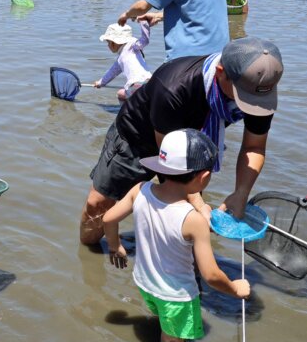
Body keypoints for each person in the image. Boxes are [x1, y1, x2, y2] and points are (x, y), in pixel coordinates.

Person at [80, 36, 283, 245]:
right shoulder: (174, 86)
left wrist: (240, 193)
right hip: (138, 138)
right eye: (244, 97)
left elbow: (254, 147)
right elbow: (168, 158)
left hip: (193, 149)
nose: (251, 105)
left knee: (188, 220)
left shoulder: (259, 94)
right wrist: (196, 199)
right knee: (98, 205)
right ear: (221, 72)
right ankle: (89, 258)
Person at [103, 129, 251, 342]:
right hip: (176, 298)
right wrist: (235, 289)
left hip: (145, 283)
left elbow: (108, 218)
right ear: (203, 178)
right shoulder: (193, 221)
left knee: (164, 318)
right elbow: (211, 275)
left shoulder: (140, 190)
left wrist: (116, 247)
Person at [94, 21, 151, 102]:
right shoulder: (125, 55)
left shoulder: (132, 47)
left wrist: (100, 83)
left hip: (136, 85)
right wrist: (100, 83)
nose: (108, 45)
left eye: (108, 42)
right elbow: (111, 72)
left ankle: (125, 113)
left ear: (113, 42)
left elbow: (145, 40)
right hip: (151, 82)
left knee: (120, 94)